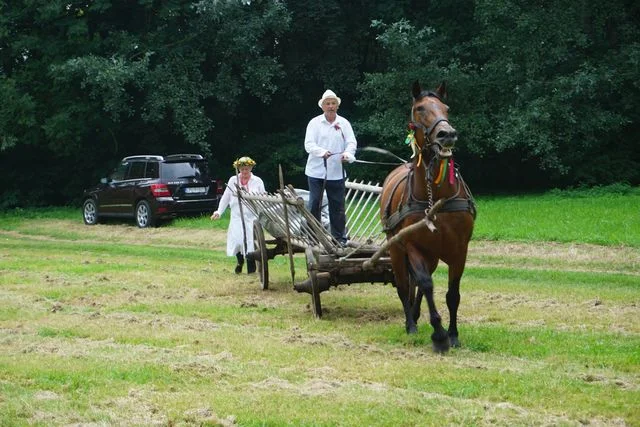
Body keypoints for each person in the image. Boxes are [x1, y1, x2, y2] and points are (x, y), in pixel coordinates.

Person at [304, 89, 357, 245]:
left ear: (337, 106)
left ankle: (339, 238)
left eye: (333, 103)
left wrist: (347, 154)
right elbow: (309, 145)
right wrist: (321, 152)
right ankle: (313, 237)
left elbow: (351, 142)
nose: (331, 106)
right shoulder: (314, 123)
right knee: (315, 204)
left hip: (337, 172)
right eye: (328, 103)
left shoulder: (344, 123)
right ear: (323, 106)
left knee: (338, 206)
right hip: (316, 172)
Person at [210, 156, 265, 274]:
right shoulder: (233, 180)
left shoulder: (258, 181)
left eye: (247, 169)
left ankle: (251, 269)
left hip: (251, 217)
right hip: (237, 216)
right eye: (242, 169)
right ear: (238, 168)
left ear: (251, 168)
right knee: (238, 241)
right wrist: (219, 211)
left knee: (250, 242)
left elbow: (263, 198)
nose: (244, 172)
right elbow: (226, 197)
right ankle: (240, 262)